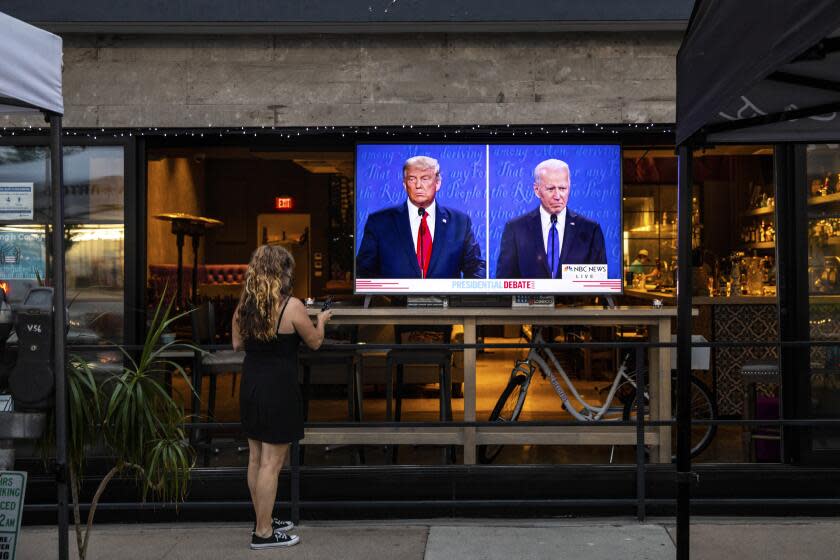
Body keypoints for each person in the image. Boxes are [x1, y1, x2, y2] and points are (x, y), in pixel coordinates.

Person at [232, 245, 332, 550]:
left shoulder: (244, 307)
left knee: (256, 459)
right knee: (272, 464)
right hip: (279, 389)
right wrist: (323, 320)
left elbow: (237, 344)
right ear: (282, 273)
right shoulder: (292, 306)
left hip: (251, 386)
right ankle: (263, 532)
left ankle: (264, 518)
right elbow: (314, 342)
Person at [356, 155, 486, 279]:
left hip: (446, 301)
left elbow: (475, 267)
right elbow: (363, 271)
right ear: (404, 184)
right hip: (396, 301)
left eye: (425, 178)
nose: (418, 185)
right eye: (412, 179)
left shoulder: (460, 222)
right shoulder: (379, 222)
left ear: (438, 183)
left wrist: (465, 299)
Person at [495, 159, 607, 278]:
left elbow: (598, 283)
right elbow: (505, 281)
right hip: (531, 297)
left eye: (562, 188)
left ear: (569, 188)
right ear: (537, 190)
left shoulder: (591, 230)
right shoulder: (515, 229)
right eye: (550, 189)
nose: (557, 196)